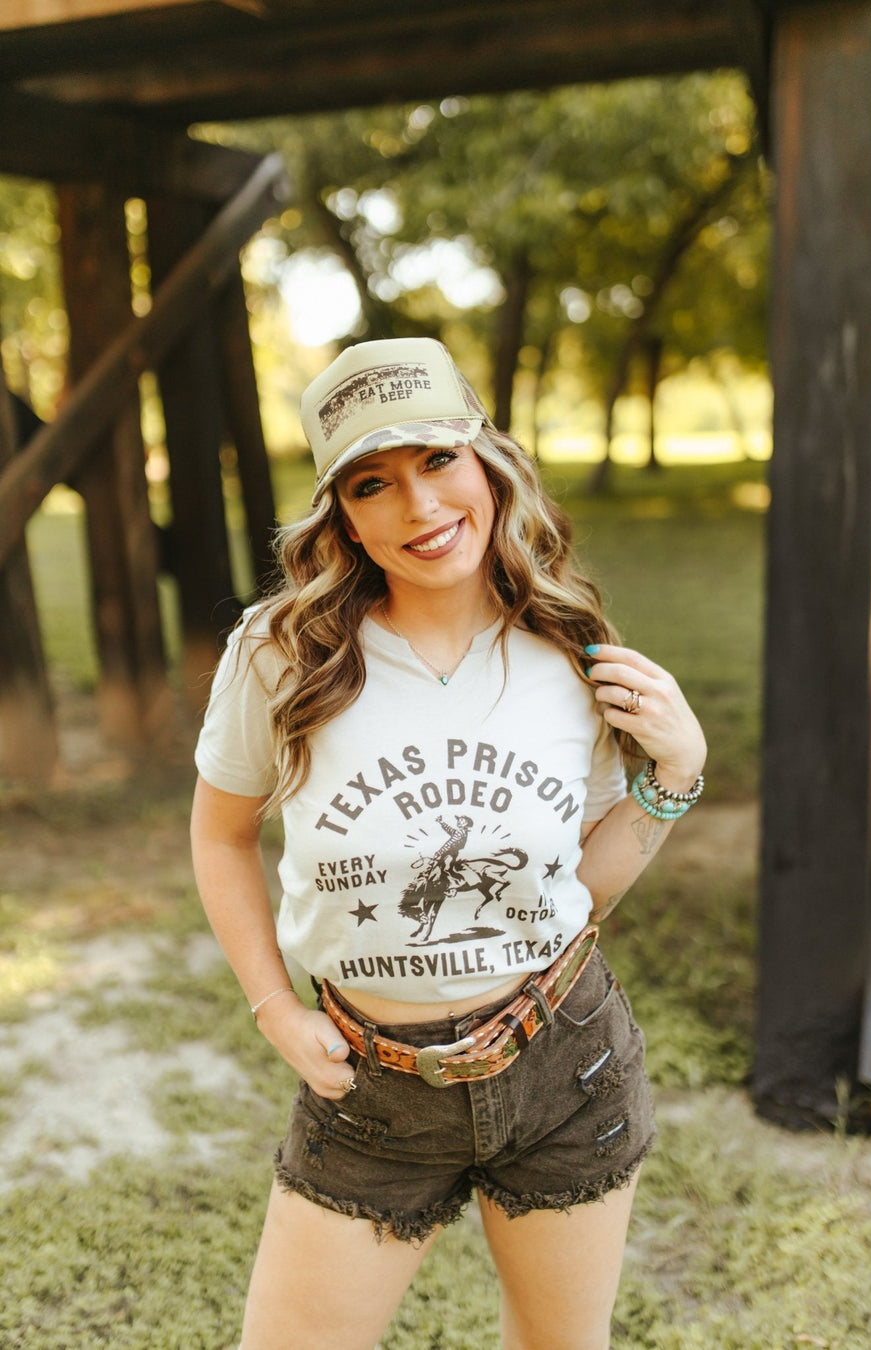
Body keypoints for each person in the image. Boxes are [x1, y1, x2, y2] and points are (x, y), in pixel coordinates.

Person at [190, 337, 706, 1350]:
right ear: (342, 512)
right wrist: (273, 1010)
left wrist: (674, 775)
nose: (420, 510)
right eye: (374, 484)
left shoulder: (567, 649)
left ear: (487, 463)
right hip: (370, 1090)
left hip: (564, 1064)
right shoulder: (281, 653)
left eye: (437, 462)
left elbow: (578, 893)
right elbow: (220, 835)